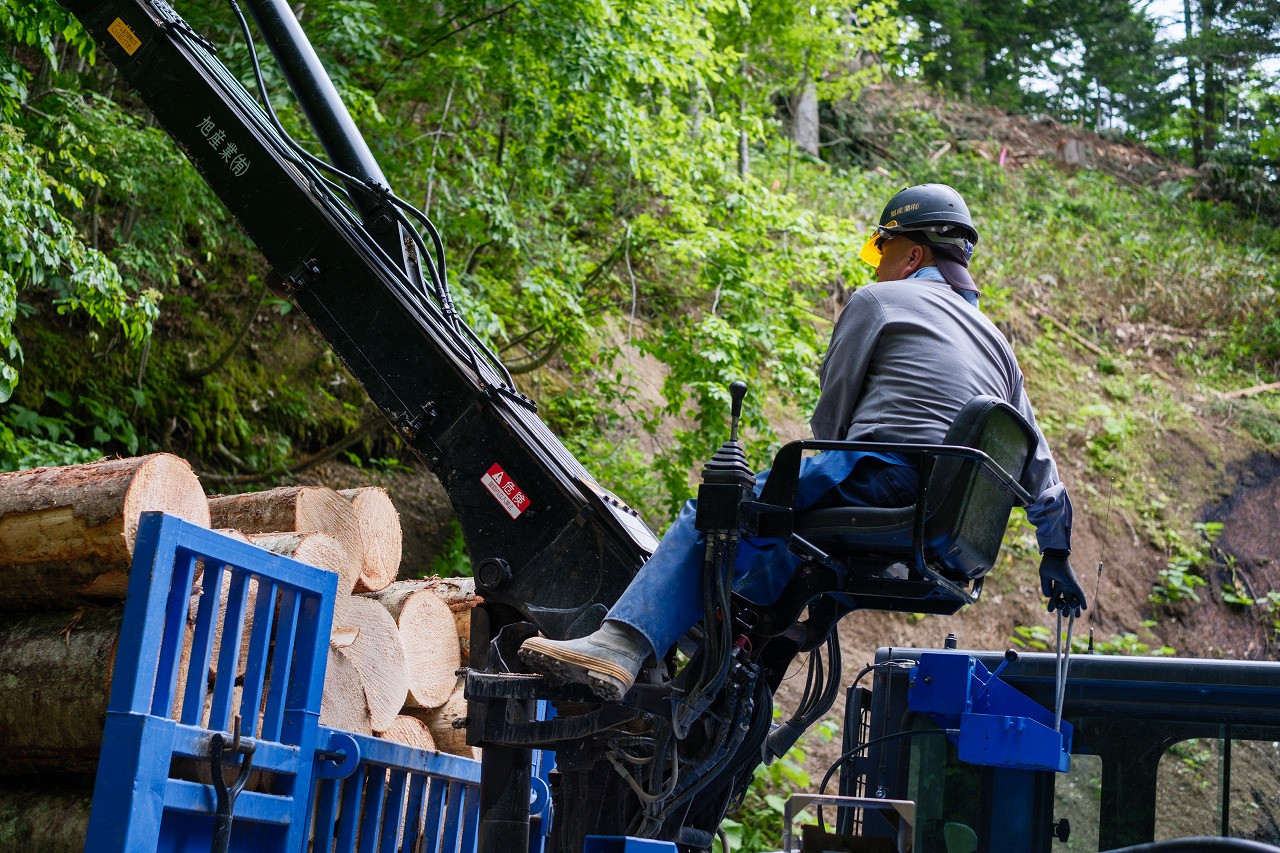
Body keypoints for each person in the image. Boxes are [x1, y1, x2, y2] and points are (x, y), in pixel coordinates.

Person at [520, 183, 1086, 702]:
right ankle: (744, 626)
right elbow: (1039, 469)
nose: (877, 264)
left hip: (882, 478)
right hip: (948, 526)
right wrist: (1055, 553)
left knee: (721, 514)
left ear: (912, 255)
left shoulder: (881, 301)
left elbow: (832, 424)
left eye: (881, 249)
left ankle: (618, 646)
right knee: (791, 530)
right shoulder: (1000, 348)